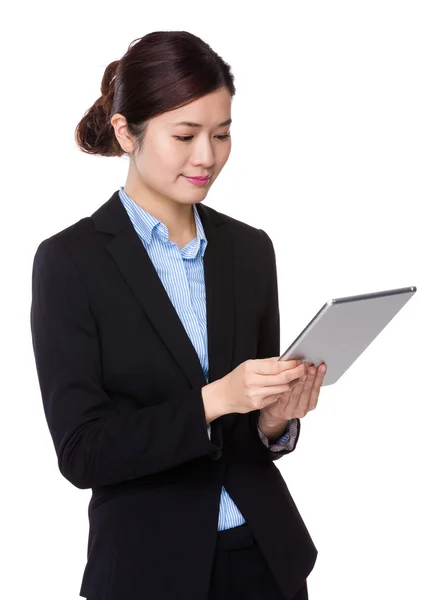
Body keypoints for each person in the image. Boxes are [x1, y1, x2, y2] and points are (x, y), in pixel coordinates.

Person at [30, 30, 327, 600]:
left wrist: (274, 423)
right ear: (127, 133)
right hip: (148, 572)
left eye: (222, 133)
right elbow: (82, 452)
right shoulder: (70, 262)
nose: (207, 157)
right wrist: (216, 399)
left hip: (267, 559)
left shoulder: (250, 249)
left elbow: (251, 429)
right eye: (185, 135)